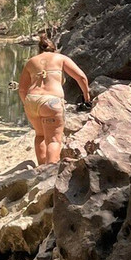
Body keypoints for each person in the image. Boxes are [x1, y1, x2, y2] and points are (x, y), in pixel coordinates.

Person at [18, 32, 90, 165]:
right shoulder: (61, 58)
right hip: (51, 101)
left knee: (40, 135)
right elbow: (81, 77)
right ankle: (49, 174)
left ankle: (40, 170)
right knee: (54, 140)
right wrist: (87, 98)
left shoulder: (31, 62)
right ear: (54, 49)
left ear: (39, 49)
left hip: (31, 100)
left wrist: (27, 104)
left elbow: (22, 89)